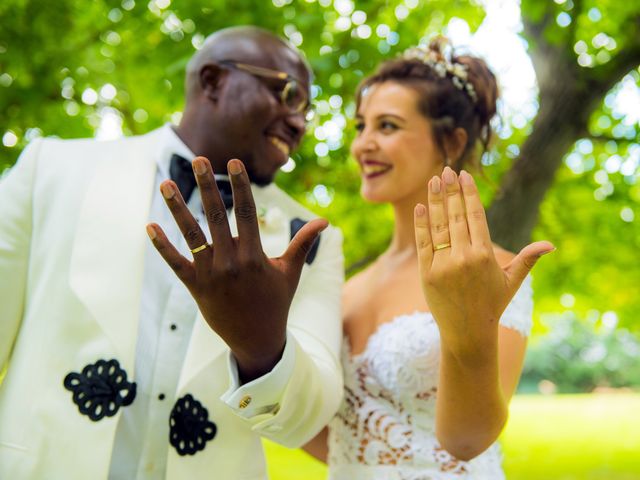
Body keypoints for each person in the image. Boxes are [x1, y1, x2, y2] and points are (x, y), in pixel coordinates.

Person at [0, 26, 344, 479]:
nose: (299, 123)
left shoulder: (311, 238)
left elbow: (308, 417)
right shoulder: (52, 169)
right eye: (287, 94)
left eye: (306, 110)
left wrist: (263, 349)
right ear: (212, 82)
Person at [303, 37, 554, 478]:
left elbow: (466, 442)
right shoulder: (347, 286)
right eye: (360, 126)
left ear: (452, 142)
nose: (363, 145)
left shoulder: (489, 273)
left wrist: (468, 331)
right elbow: (339, 439)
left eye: (388, 126)